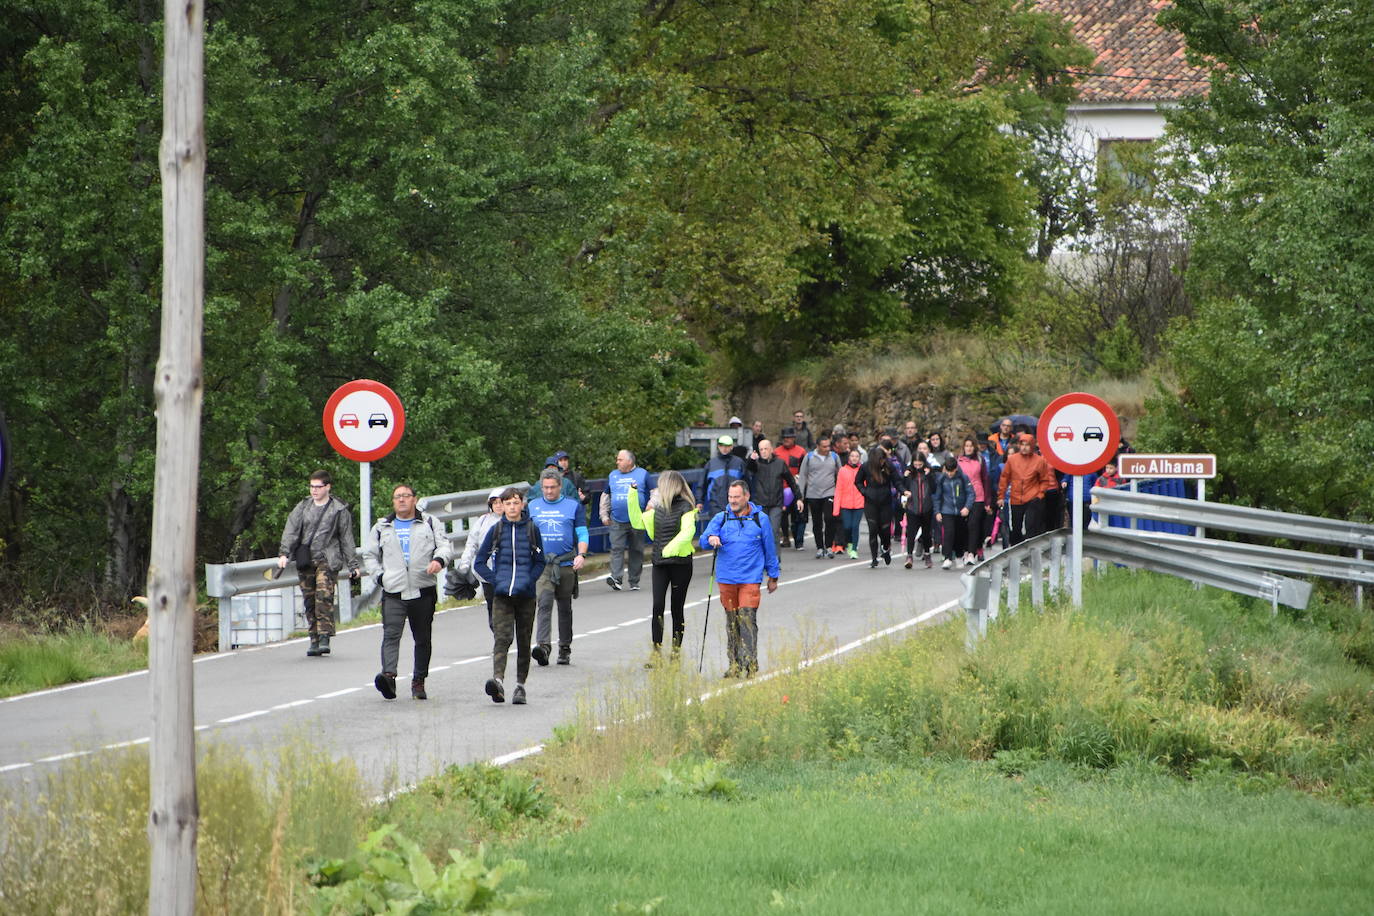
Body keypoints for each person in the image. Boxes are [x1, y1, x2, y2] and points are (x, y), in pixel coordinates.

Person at [364, 483, 454, 700]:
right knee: (391, 634)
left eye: (406, 496)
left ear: (415, 499)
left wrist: (438, 560)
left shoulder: (429, 523)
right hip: (394, 590)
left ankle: (418, 681)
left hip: (423, 589)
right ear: (393, 501)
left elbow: (445, 546)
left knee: (422, 637)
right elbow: (369, 555)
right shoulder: (382, 527)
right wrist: (379, 577)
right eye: (397, 497)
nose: (401, 500)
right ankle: (388, 677)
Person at [277, 469, 360, 658]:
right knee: (309, 599)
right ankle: (313, 638)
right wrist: (284, 553)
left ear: (327, 487)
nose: (314, 490)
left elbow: (346, 538)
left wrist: (353, 565)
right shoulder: (303, 507)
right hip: (306, 559)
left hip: (328, 559)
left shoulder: (339, 510)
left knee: (324, 596)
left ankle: (324, 636)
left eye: (318, 487)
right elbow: (291, 529)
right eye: (312, 486)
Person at [701, 480, 780, 678]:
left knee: (747, 619)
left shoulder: (760, 519)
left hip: (750, 578)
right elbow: (703, 540)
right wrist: (711, 537)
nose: (733, 501)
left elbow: (770, 548)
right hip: (726, 579)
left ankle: (751, 664)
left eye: (737, 497)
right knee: (732, 622)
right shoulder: (721, 518)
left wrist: (773, 576)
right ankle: (734, 665)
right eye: (730, 497)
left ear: (746, 496)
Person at [474, 488, 546, 705]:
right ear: (502, 507)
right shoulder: (496, 530)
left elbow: (540, 561)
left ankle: (520, 686)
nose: (512, 507)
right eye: (508, 504)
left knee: (524, 641)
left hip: (526, 595)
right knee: (502, 638)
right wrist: (496, 581)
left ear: (522, 504)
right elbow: (479, 561)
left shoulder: (532, 529)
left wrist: (529, 580)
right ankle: (498, 681)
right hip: (502, 595)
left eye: (516, 503)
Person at [626, 470, 698, 664]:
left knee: (677, 609)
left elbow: (687, 533)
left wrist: (668, 549)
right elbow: (637, 521)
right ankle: (656, 652)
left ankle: (675, 652)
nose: (657, 489)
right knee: (657, 606)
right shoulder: (657, 509)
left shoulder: (687, 508)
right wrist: (632, 495)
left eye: (660, 485)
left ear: (669, 486)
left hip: (680, 564)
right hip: (660, 564)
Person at [527, 468, 588, 666]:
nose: (549, 491)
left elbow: (582, 532)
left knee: (564, 606)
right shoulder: (532, 506)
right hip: (543, 564)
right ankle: (543, 646)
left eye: (552, 487)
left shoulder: (572, 506)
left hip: (566, 562)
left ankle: (564, 647)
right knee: (544, 603)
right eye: (545, 487)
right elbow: (524, 534)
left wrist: (581, 554)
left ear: (560, 487)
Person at [448, 487, 504, 628]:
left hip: (509, 573)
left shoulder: (515, 521)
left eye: (501, 502)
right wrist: (464, 565)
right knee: (493, 607)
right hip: (487, 573)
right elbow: (471, 544)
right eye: (495, 502)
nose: (498, 505)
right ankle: (499, 638)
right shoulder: (482, 521)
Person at [601, 449, 649, 591]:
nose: (617, 462)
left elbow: (655, 492)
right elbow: (605, 496)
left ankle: (634, 581)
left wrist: (651, 506)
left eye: (620, 460)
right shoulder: (613, 475)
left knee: (636, 550)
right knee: (616, 548)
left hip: (637, 520)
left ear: (629, 461)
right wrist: (604, 514)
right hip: (617, 519)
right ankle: (616, 578)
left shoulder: (643, 474)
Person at [997, 435, 1057, 545]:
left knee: (1030, 526)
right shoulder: (1012, 460)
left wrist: (1040, 494)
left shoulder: (1039, 461)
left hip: (1032, 498)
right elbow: (1004, 478)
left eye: (1027, 445)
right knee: (1015, 528)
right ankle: (1016, 552)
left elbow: (1044, 480)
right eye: (1022, 445)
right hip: (1015, 498)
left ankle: (1030, 551)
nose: (1024, 448)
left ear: (1032, 446)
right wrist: (1001, 496)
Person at [854, 447, 903, 567]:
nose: (883, 462)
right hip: (870, 502)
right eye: (881, 460)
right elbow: (858, 481)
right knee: (873, 530)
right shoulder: (866, 467)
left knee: (885, 530)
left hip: (885, 502)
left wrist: (903, 490)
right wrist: (865, 492)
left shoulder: (888, 466)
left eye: (884, 459)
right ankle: (874, 558)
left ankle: (886, 548)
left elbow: (897, 481)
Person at [746, 438, 799, 551]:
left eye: (766, 449)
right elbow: (749, 469)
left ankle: (775, 561)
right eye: (761, 449)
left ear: (771, 449)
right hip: (760, 504)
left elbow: (791, 481)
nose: (764, 451)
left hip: (776, 503)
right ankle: (763, 560)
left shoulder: (780, 463)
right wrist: (751, 459)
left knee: (774, 530)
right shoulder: (756, 464)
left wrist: (798, 497)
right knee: (762, 532)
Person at [797, 435, 841, 558]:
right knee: (817, 522)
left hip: (829, 492)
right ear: (818, 446)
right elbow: (803, 476)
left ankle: (828, 546)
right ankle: (820, 547)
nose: (827, 448)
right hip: (813, 494)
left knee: (830, 519)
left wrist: (840, 491)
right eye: (824, 446)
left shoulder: (834, 456)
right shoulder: (809, 457)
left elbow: (841, 473)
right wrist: (800, 495)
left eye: (828, 446)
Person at [956, 436, 994, 564]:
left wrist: (987, 501)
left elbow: (985, 479)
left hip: (978, 496)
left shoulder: (980, 459)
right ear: (963, 447)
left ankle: (972, 552)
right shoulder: (958, 460)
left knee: (973, 524)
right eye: (966, 446)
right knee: (963, 526)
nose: (969, 448)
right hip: (963, 497)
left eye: (971, 446)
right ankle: (965, 550)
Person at [933, 457, 974, 569]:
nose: (950, 474)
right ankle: (947, 557)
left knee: (959, 535)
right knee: (948, 533)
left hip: (960, 512)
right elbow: (937, 497)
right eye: (948, 471)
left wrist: (967, 507)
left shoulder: (963, 478)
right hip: (947, 510)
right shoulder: (942, 479)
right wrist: (937, 512)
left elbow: (970, 493)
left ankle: (959, 556)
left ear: (956, 468)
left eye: (952, 471)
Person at [901, 452, 938, 568]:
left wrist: (928, 475)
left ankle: (927, 555)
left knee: (926, 534)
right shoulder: (909, 473)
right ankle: (909, 556)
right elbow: (903, 487)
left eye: (920, 464)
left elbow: (933, 489)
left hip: (927, 507)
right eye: (915, 464)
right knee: (911, 533)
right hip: (912, 507)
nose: (917, 467)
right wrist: (905, 477)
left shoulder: (929, 472)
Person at [774, 428, 808, 549]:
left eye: (788, 437)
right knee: (783, 514)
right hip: (781, 487)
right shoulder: (776, 452)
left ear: (794, 438)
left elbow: (806, 468)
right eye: (784, 438)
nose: (786, 440)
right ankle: (786, 538)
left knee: (799, 514)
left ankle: (799, 540)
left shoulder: (801, 451)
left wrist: (801, 478)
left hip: (796, 487)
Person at [701, 434, 748, 520]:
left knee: (734, 531)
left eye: (727, 446)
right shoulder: (711, 464)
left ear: (731, 447)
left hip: (736, 504)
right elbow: (702, 484)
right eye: (722, 446)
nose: (724, 448)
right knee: (717, 531)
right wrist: (699, 501)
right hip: (715, 505)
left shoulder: (739, 463)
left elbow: (747, 484)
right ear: (718, 446)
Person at [832, 447, 865, 559]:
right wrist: (836, 508)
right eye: (852, 456)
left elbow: (866, 486)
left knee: (855, 526)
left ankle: (854, 548)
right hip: (845, 504)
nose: (854, 458)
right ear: (849, 458)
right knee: (847, 527)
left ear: (859, 458)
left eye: (856, 456)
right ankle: (849, 543)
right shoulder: (842, 470)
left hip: (859, 503)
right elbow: (838, 489)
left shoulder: (863, 470)